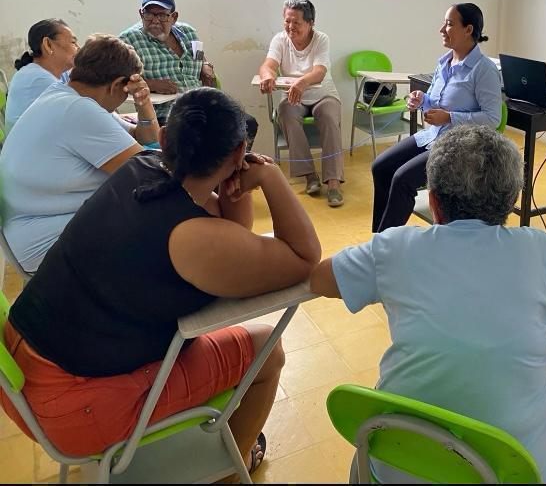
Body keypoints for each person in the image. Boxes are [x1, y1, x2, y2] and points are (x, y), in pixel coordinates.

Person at [0, 88, 321, 478]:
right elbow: (305, 258)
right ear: (240, 152)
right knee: (268, 351)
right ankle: (231, 472)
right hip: (74, 405)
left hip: (24, 373)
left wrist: (235, 181)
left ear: (165, 137)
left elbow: (232, 235)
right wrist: (269, 176)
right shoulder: (194, 238)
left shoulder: (142, 167)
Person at [310, 125, 546, 484]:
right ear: (512, 200)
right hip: (512, 474)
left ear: (434, 203)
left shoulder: (393, 248)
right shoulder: (544, 253)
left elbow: (320, 278)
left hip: (395, 467)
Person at [0, 34, 157, 273]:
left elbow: (144, 138)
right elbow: (149, 172)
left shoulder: (65, 94)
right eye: (126, 92)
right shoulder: (79, 109)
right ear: (116, 85)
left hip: (33, 232)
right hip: (47, 245)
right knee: (168, 218)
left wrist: (143, 104)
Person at [371, 3, 502, 232]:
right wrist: (421, 99)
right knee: (380, 167)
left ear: (468, 30)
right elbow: (434, 99)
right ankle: (380, 236)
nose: (442, 29)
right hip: (433, 136)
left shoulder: (484, 70)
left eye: (449, 24)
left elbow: (492, 119)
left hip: (460, 146)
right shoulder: (444, 62)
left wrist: (449, 117)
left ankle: (386, 243)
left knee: (402, 180)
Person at [120, 0, 258, 145]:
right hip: (166, 113)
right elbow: (119, 81)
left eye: (162, 15)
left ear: (174, 17)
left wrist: (205, 65)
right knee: (203, 135)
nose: (155, 20)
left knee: (247, 124)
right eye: (149, 14)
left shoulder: (188, 32)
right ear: (141, 14)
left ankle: (232, 161)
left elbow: (199, 56)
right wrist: (152, 84)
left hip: (201, 105)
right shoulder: (129, 39)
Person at [258, 0, 344, 207]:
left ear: (310, 23)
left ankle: (333, 182)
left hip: (323, 94)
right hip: (293, 96)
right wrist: (267, 76)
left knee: (329, 117)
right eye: (287, 21)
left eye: (296, 22)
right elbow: (268, 65)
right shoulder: (280, 40)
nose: (290, 26)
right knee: (286, 113)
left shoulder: (321, 39)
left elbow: (320, 71)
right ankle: (309, 176)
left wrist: (302, 82)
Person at [4, 19, 78, 133]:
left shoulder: (59, 73)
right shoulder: (37, 79)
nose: (78, 48)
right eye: (73, 42)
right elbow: (81, 113)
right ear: (48, 45)